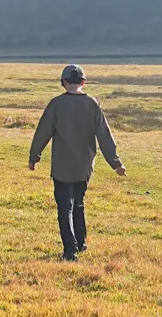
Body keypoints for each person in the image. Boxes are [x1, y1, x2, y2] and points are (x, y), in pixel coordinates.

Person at [28, 63, 124, 259]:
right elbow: (105, 136)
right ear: (83, 82)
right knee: (79, 203)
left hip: (62, 166)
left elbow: (43, 132)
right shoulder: (93, 104)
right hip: (84, 166)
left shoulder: (56, 104)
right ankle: (81, 242)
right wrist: (116, 163)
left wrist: (34, 155)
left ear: (63, 82)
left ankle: (70, 250)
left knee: (65, 207)